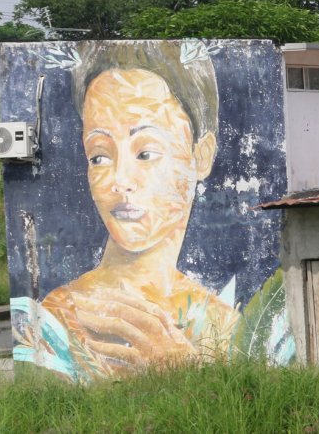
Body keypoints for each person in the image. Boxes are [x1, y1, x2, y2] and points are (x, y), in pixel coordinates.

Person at [34, 41, 238, 379]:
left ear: (200, 156)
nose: (120, 180)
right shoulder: (58, 318)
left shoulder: (225, 325)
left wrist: (182, 368)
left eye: (145, 153)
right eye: (99, 156)